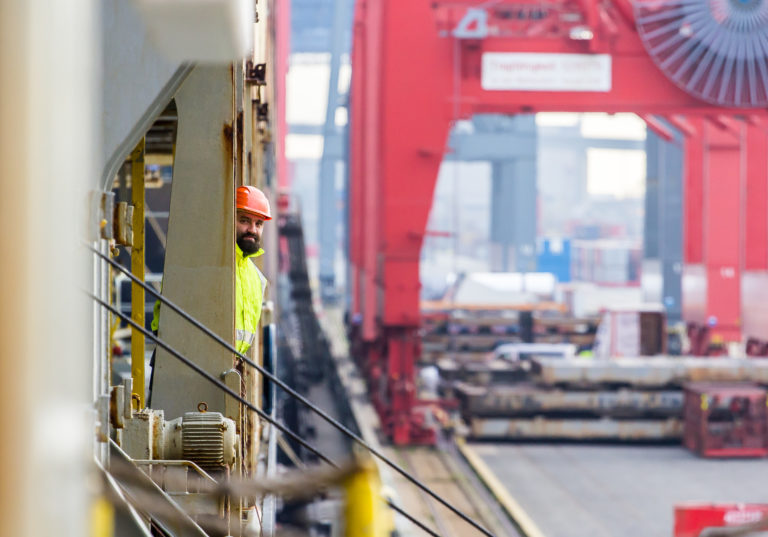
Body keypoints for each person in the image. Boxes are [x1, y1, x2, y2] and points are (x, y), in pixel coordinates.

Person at [148, 185, 271, 402]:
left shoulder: (257, 280)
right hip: (185, 378)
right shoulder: (200, 261)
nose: (252, 229)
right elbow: (165, 322)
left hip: (227, 381)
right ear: (227, 218)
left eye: (258, 223)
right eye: (244, 220)